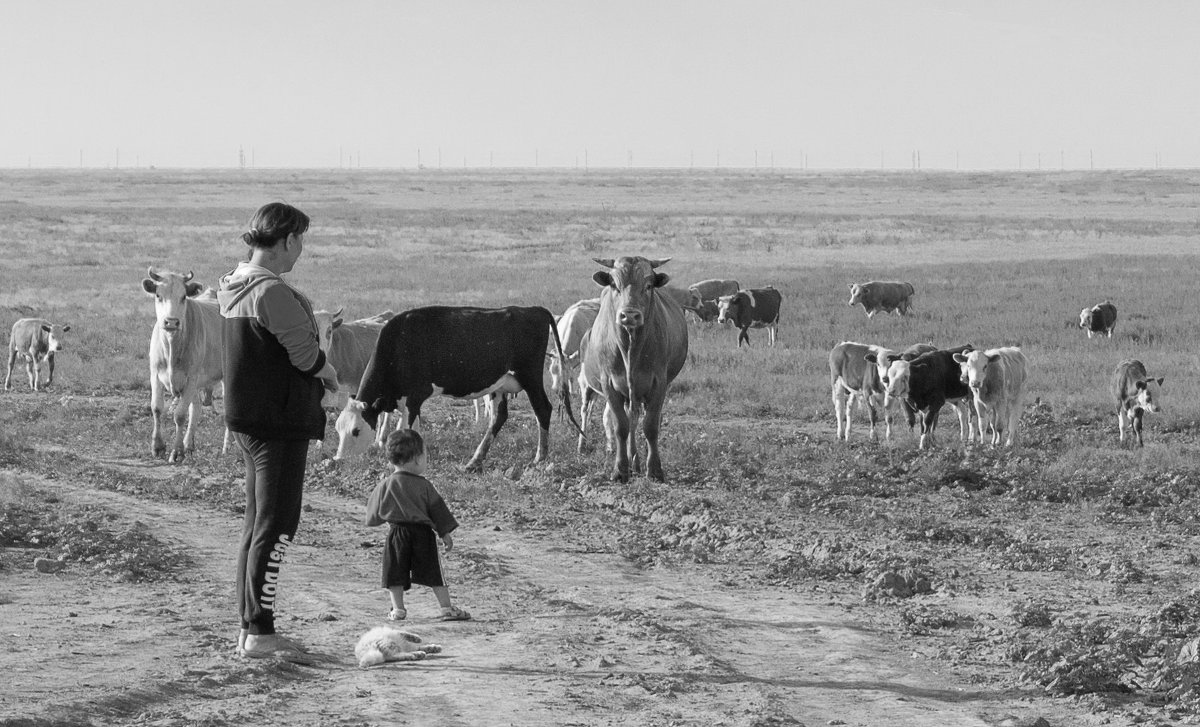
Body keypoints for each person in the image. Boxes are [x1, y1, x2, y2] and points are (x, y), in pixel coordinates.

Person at [218, 202, 339, 660]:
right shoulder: (271, 293)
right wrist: (332, 378)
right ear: (286, 239)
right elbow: (306, 356)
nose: (301, 251)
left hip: (249, 420)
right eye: (300, 241)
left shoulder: (232, 283)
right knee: (279, 525)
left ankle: (250, 629)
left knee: (256, 524)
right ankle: (262, 634)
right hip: (279, 423)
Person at [366, 428, 472, 622]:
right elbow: (437, 510)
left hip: (397, 534)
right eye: (425, 456)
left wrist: (376, 519)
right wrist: (444, 533)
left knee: (394, 572)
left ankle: (398, 609)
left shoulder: (386, 484)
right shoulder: (424, 485)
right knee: (434, 572)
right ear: (416, 459)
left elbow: (374, 512)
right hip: (423, 534)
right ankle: (446, 607)